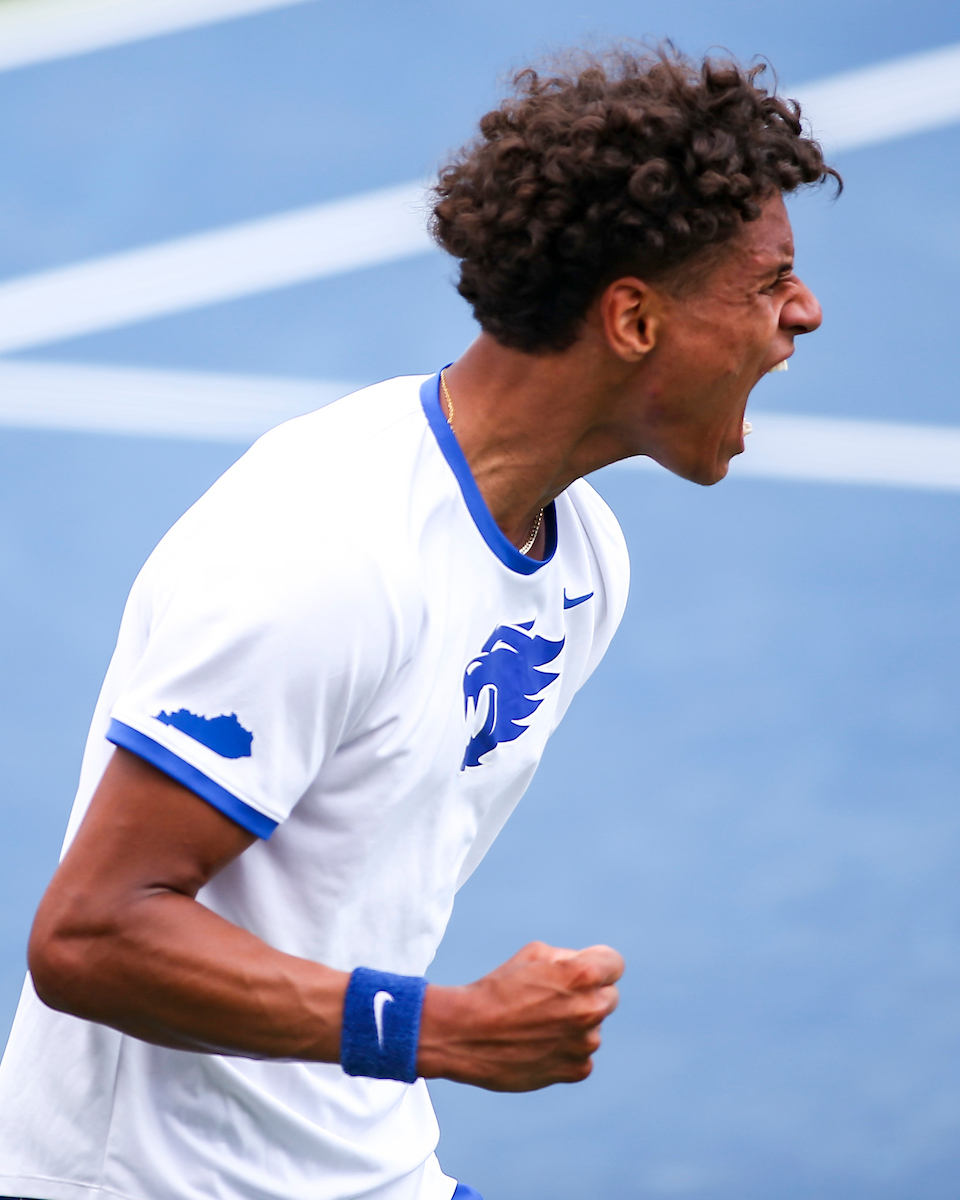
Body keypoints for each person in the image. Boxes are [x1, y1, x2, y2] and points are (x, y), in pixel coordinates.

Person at [0, 46, 836, 1200]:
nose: (805, 311)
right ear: (633, 318)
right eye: (768, 281)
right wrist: (443, 1029)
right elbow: (91, 936)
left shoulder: (583, 560)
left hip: (365, 1163)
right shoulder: (323, 551)